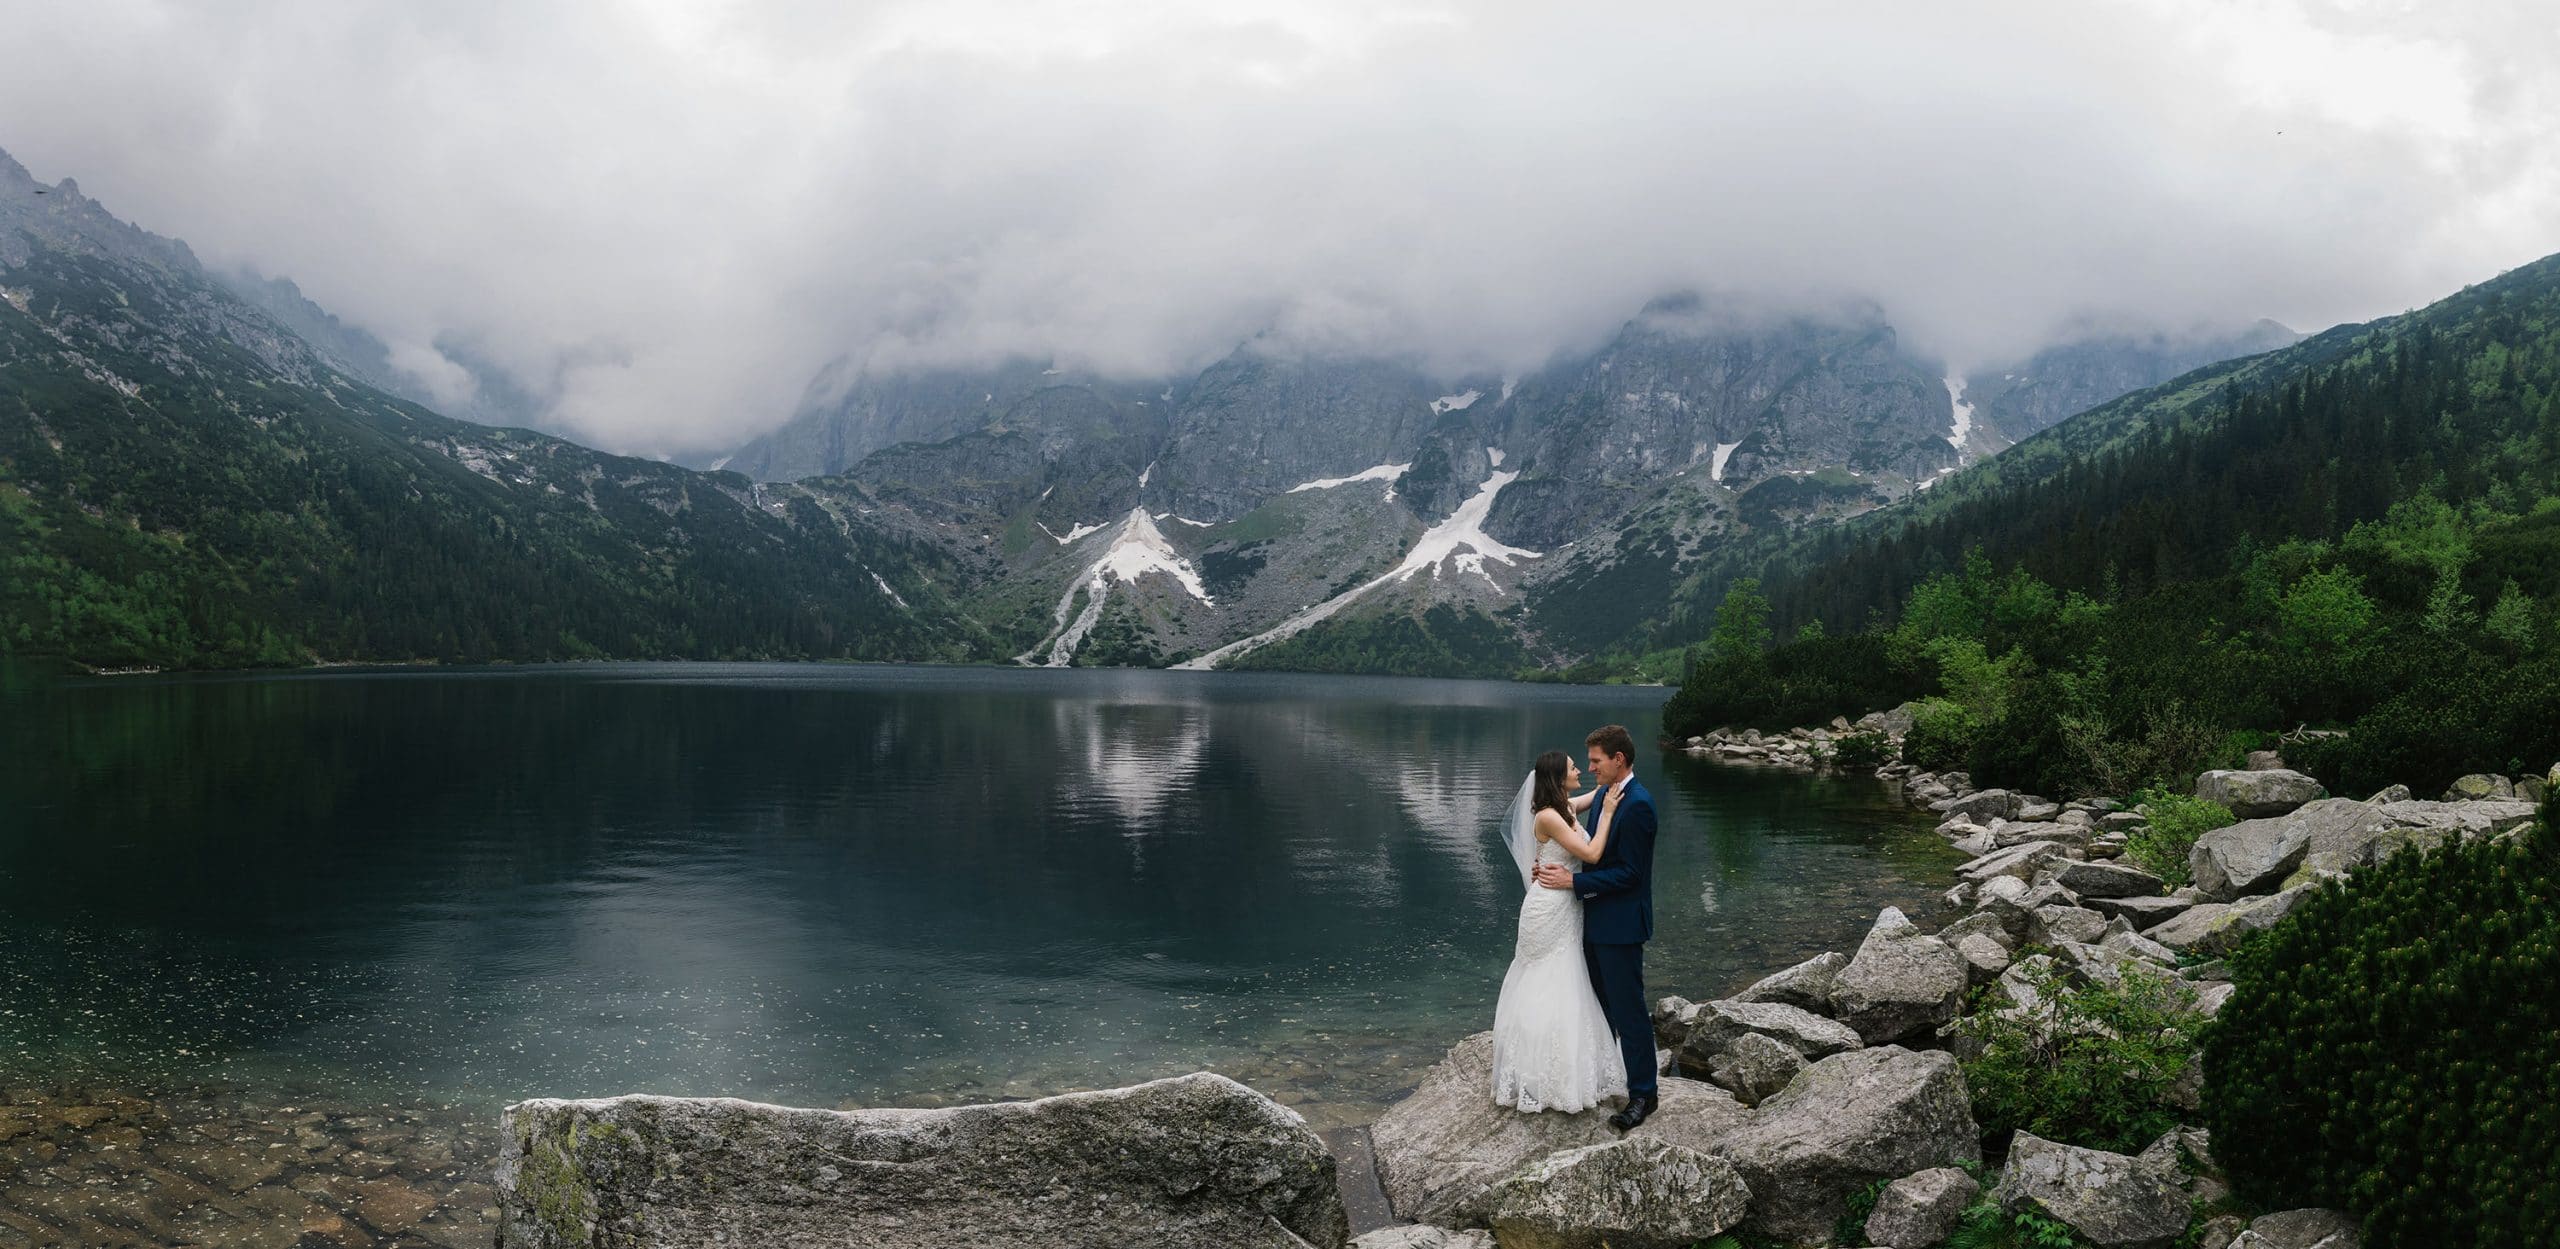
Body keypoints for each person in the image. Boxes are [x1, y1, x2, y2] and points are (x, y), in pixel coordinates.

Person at [1530, 724, 1658, 1129]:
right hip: (1587, 919)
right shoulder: (1605, 793)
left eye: (1595, 761)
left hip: (1620, 925)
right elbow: (1570, 836)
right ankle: (1600, 1078)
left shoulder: (1638, 804)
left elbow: (1631, 874)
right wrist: (1546, 863)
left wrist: (1573, 881)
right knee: (1597, 1007)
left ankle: (1644, 1095)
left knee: (1629, 1011)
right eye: (1585, 762)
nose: (1589, 768)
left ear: (1618, 760)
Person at [1488, 749, 1629, 1113]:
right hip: (1548, 908)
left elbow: (1591, 795)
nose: (1580, 769)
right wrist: (1608, 814)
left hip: (1565, 906)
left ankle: (1565, 1071)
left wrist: (1616, 777)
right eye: (1573, 767)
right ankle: (1540, 1074)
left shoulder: (1563, 807)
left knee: (1567, 978)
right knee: (1547, 979)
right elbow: (1592, 854)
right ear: (1557, 778)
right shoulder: (1549, 816)